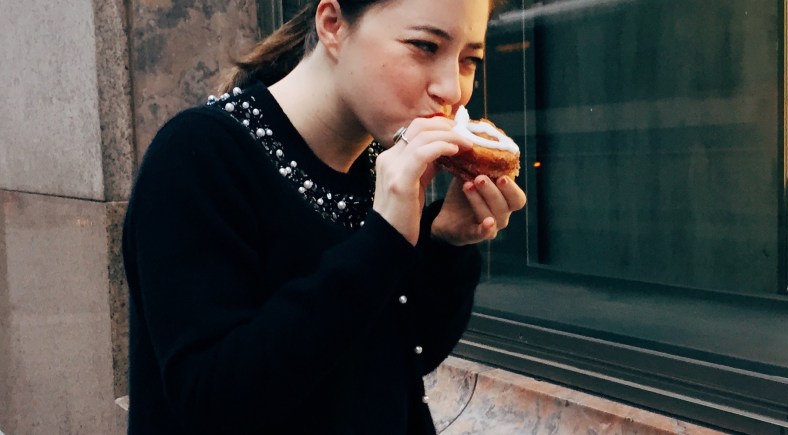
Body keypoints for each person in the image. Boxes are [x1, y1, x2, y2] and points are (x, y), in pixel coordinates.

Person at [121, 0, 523, 433]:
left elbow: (401, 359)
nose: (453, 89)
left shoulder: (380, 159)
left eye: (469, 60)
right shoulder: (197, 156)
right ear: (332, 25)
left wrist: (445, 243)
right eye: (425, 46)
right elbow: (212, 399)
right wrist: (382, 243)